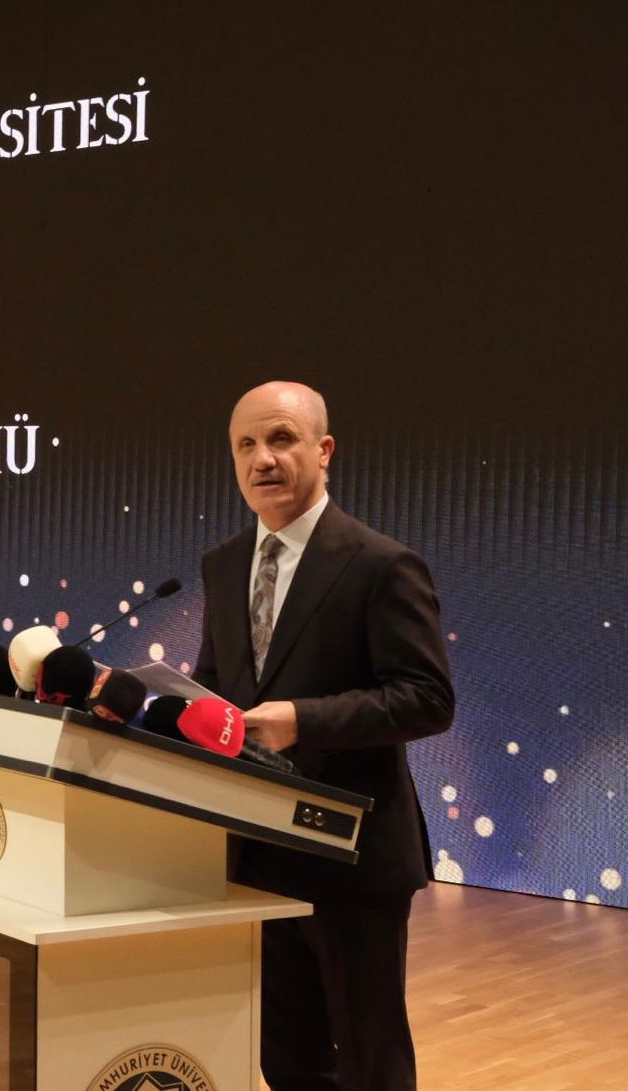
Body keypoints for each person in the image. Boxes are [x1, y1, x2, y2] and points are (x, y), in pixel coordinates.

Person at [191, 381, 454, 1091]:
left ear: (324, 449)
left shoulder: (380, 564)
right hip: (255, 851)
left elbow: (427, 699)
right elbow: (216, 681)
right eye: (246, 445)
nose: (262, 459)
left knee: (370, 1065)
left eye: (281, 439)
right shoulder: (223, 563)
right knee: (288, 1061)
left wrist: (303, 721)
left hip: (350, 855)